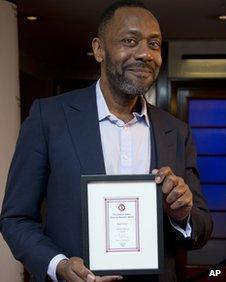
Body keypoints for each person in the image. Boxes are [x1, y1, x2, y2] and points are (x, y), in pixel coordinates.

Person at [0, 1, 213, 282]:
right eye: (130, 40)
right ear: (99, 49)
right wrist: (59, 265)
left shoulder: (176, 131)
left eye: (154, 44)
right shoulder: (49, 117)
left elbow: (201, 227)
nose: (145, 54)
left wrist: (182, 214)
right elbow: (15, 219)